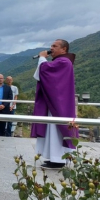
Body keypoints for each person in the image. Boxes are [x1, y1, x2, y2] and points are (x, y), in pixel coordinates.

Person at [31, 39, 77, 169]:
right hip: (54, 102)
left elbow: (46, 71)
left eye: (55, 46)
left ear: (64, 49)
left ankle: (58, 160)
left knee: (56, 130)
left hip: (59, 104)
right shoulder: (60, 61)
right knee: (52, 130)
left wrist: (41, 58)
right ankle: (53, 158)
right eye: (51, 45)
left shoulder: (64, 62)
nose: (51, 48)